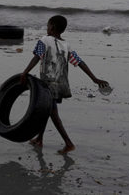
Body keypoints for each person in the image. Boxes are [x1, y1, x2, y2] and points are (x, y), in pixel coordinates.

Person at [20, 15, 109, 154]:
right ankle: (40, 139)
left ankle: (68, 144)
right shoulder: (67, 45)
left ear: (52, 27)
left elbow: (36, 57)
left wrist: (25, 72)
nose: (47, 28)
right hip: (61, 85)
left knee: (53, 114)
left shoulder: (44, 40)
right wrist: (94, 79)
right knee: (46, 110)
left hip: (48, 84)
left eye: (48, 25)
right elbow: (80, 62)